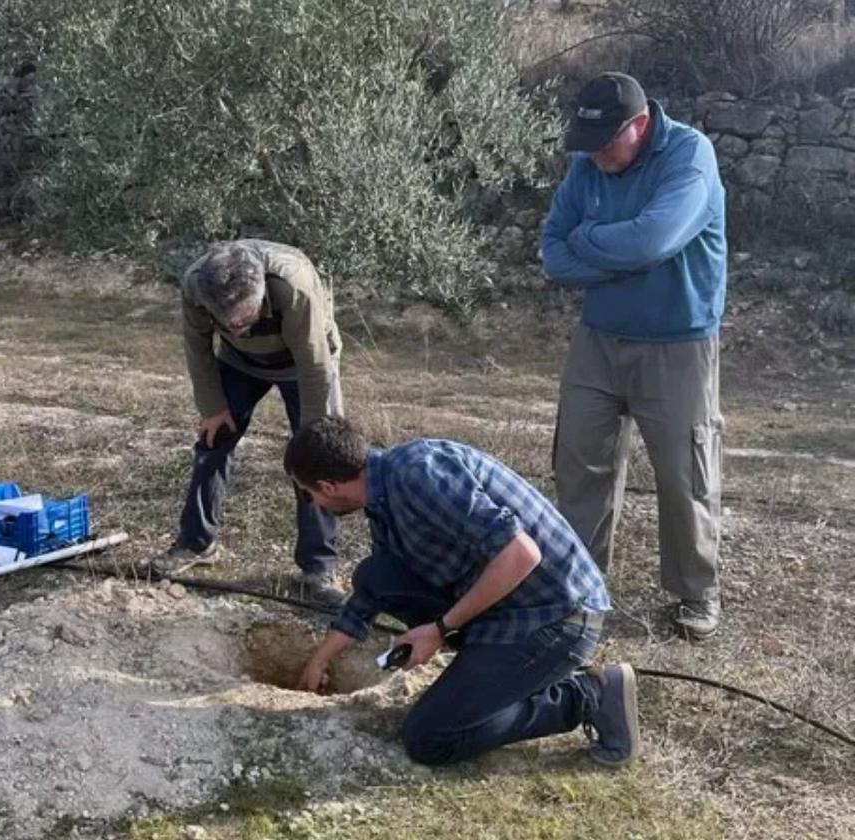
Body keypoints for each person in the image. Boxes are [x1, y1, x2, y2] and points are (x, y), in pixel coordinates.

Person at [289, 417, 638, 767]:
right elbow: (374, 586)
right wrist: (321, 656)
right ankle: (486, 673)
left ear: (328, 486)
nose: (313, 504)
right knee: (377, 573)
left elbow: (521, 554)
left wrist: (439, 630)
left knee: (429, 737)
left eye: (309, 494)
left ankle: (588, 695)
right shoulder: (383, 494)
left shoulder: (418, 475)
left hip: (554, 617)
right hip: (506, 604)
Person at [540, 72, 727, 640]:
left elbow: (656, 239)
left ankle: (696, 594)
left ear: (639, 126)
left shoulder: (689, 156)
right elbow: (553, 251)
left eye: (603, 143)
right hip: (598, 338)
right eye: (585, 144)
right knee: (580, 464)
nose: (592, 156)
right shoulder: (588, 162)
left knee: (683, 473)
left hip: (677, 342)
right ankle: (580, 585)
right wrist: (620, 250)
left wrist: (592, 240)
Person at [151, 240, 345, 604]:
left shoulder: (292, 285)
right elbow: (197, 346)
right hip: (240, 364)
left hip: (304, 362)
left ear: (261, 295)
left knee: (320, 458)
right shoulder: (197, 284)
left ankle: (319, 567)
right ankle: (196, 543)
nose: (236, 329)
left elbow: (315, 364)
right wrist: (213, 407)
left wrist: (313, 437)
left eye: (244, 320)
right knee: (213, 441)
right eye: (227, 323)